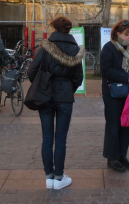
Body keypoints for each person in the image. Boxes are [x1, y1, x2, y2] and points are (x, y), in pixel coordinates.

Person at [28, 16, 84, 190]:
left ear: (53, 28)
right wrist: (68, 88)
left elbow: (32, 71)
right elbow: (78, 78)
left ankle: (49, 177)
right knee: (61, 139)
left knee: (47, 138)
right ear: (69, 30)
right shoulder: (76, 49)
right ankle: (59, 178)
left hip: (45, 95)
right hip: (65, 96)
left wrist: (41, 84)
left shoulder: (45, 48)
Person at [100, 20, 129, 173]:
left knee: (127, 125)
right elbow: (105, 70)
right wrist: (125, 77)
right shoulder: (109, 48)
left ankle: (122, 155)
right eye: (127, 35)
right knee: (113, 125)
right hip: (112, 93)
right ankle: (112, 158)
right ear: (118, 33)